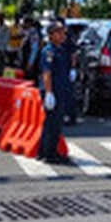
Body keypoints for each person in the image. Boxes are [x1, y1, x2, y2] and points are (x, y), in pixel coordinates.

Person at [35, 22, 72, 165]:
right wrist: (49, 93)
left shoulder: (60, 49)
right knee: (52, 123)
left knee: (53, 122)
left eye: (63, 32)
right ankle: (49, 154)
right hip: (52, 90)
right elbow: (47, 73)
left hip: (60, 89)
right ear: (51, 35)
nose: (63, 35)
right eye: (59, 32)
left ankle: (45, 151)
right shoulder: (48, 51)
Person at [20, 17, 42, 84]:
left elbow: (34, 49)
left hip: (31, 61)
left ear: (29, 23)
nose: (23, 24)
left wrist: (30, 63)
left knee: (31, 79)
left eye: (25, 23)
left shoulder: (33, 33)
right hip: (26, 59)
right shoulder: (27, 32)